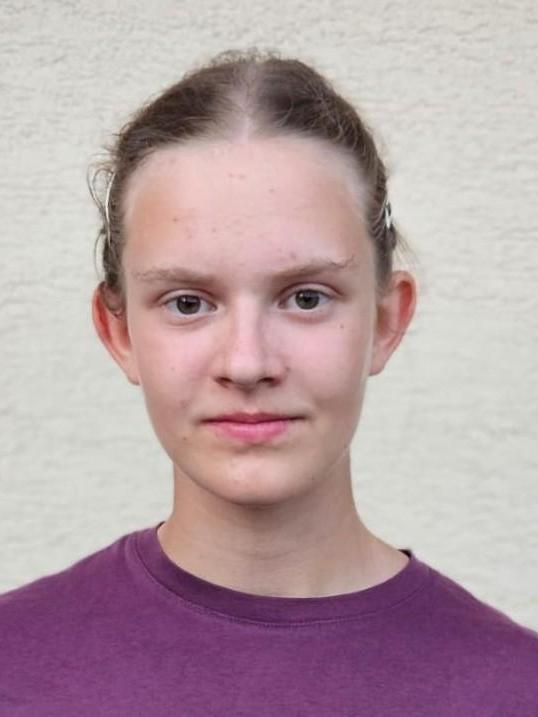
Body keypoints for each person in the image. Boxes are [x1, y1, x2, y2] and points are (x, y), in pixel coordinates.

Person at [1, 48, 536, 716]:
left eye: (306, 298)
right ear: (120, 332)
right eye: (188, 303)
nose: (248, 363)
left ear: (386, 320)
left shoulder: (517, 688)